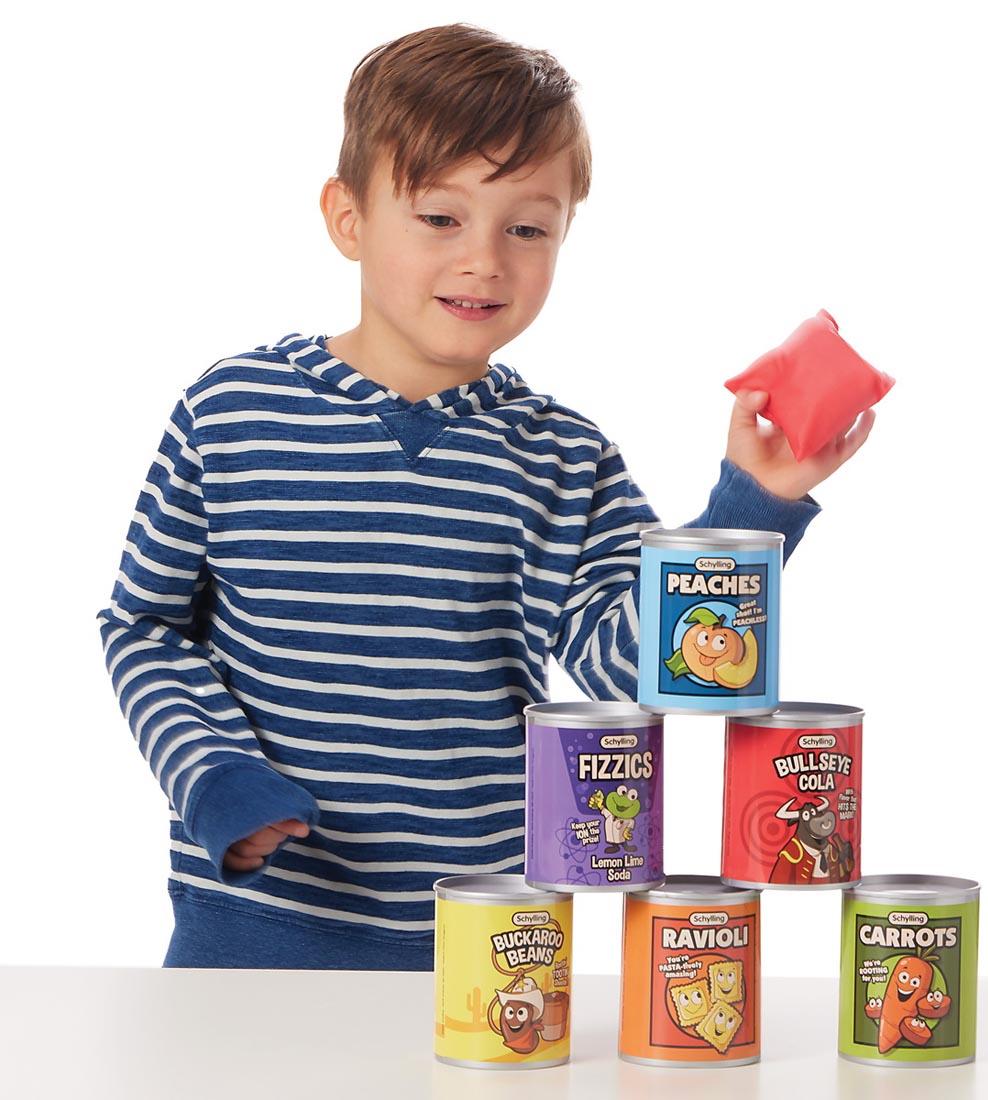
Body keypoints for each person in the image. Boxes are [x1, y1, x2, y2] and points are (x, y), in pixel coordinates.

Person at [97, 23, 874, 971]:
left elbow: (631, 671)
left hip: (489, 941)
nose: (485, 260)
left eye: (527, 228)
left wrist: (753, 505)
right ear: (347, 216)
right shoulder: (231, 411)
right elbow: (143, 628)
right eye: (440, 218)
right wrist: (212, 773)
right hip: (248, 919)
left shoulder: (565, 456)